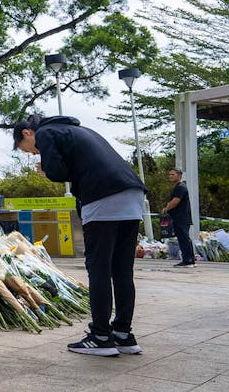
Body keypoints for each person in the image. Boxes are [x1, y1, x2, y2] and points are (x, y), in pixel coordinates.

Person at [12, 114, 146, 357]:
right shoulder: (77, 129)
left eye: (29, 151)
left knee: (99, 269)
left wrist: (46, 168)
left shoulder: (45, 133)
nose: (34, 154)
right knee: (122, 271)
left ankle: (101, 337)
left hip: (103, 196)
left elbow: (57, 170)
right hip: (131, 195)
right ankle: (123, 334)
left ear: (27, 133)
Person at [162, 168, 196, 268]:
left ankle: (188, 261)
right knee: (183, 239)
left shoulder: (181, 187)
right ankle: (190, 260)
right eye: (169, 174)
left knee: (184, 239)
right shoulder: (178, 187)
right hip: (179, 217)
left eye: (172, 174)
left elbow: (176, 201)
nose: (170, 176)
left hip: (181, 218)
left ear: (179, 176)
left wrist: (166, 209)